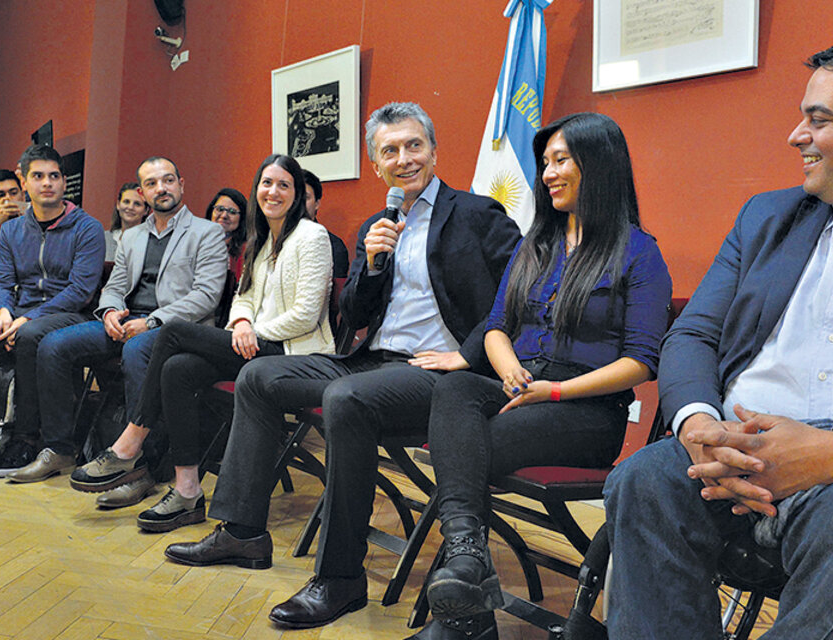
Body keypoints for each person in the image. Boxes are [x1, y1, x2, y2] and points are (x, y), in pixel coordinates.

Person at [161, 102, 521, 630]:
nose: (404, 159)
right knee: (258, 376)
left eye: (414, 145)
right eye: (389, 151)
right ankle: (242, 531)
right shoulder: (378, 224)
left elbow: (519, 291)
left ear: (434, 152)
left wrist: (468, 355)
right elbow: (352, 313)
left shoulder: (476, 214)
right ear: (376, 165)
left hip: (439, 374)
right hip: (370, 360)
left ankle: (340, 577)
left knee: (346, 400)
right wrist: (373, 265)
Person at [413, 113, 672, 639]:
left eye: (560, 161)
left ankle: (464, 608)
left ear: (598, 165)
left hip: (586, 412)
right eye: (545, 163)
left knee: (466, 445)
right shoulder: (537, 244)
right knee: (456, 386)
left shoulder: (640, 252)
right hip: (521, 389)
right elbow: (496, 326)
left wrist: (551, 391)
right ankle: (468, 563)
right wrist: (510, 372)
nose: (548, 174)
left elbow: (641, 361)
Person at [604, 46, 833, 639]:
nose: (796, 135)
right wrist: (698, 428)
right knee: (644, 481)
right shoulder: (765, 216)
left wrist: (826, 456)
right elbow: (694, 332)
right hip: (727, 444)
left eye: (821, 120)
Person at [69, 153, 335, 532]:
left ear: (296, 193)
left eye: (283, 185)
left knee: (174, 332)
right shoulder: (260, 240)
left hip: (295, 353)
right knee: (177, 369)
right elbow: (242, 296)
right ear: (256, 189)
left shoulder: (312, 236)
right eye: (266, 183)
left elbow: (307, 314)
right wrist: (242, 320)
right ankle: (187, 491)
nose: (273, 191)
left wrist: (251, 332)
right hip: (254, 345)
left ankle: (129, 442)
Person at [6, 157, 228, 490]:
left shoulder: (207, 232)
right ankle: (60, 448)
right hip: (125, 321)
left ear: (182, 184)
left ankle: (143, 464)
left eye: (168, 180)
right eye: (152, 184)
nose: (161, 189)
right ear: (143, 191)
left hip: (175, 329)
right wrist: (110, 311)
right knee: (53, 345)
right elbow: (114, 286)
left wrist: (152, 321)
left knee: (137, 350)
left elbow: (206, 296)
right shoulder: (133, 236)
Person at [0, 144, 105, 476]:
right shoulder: (12, 229)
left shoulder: (88, 228)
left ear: (63, 181)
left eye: (54, 176)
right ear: (23, 181)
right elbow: (1, 282)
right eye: (38, 176)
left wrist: (27, 318)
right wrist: (2, 313)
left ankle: (24, 437)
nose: (47, 183)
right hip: (19, 309)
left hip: (68, 313)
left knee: (29, 334)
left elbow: (80, 292)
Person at [204, 187, 248, 327]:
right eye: (219, 209)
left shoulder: (246, 250)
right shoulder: (195, 242)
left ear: (242, 219)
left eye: (232, 212)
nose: (223, 215)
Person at [303, 169, 349, 279]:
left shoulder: (333, 246)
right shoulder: (274, 238)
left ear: (317, 204)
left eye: (305, 198)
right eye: (294, 197)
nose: (299, 203)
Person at [104, 182, 150, 260]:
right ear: (118, 205)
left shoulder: (150, 243)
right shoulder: (104, 238)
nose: (130, 207)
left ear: (146, 210)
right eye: (126, 202)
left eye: (137, 204)